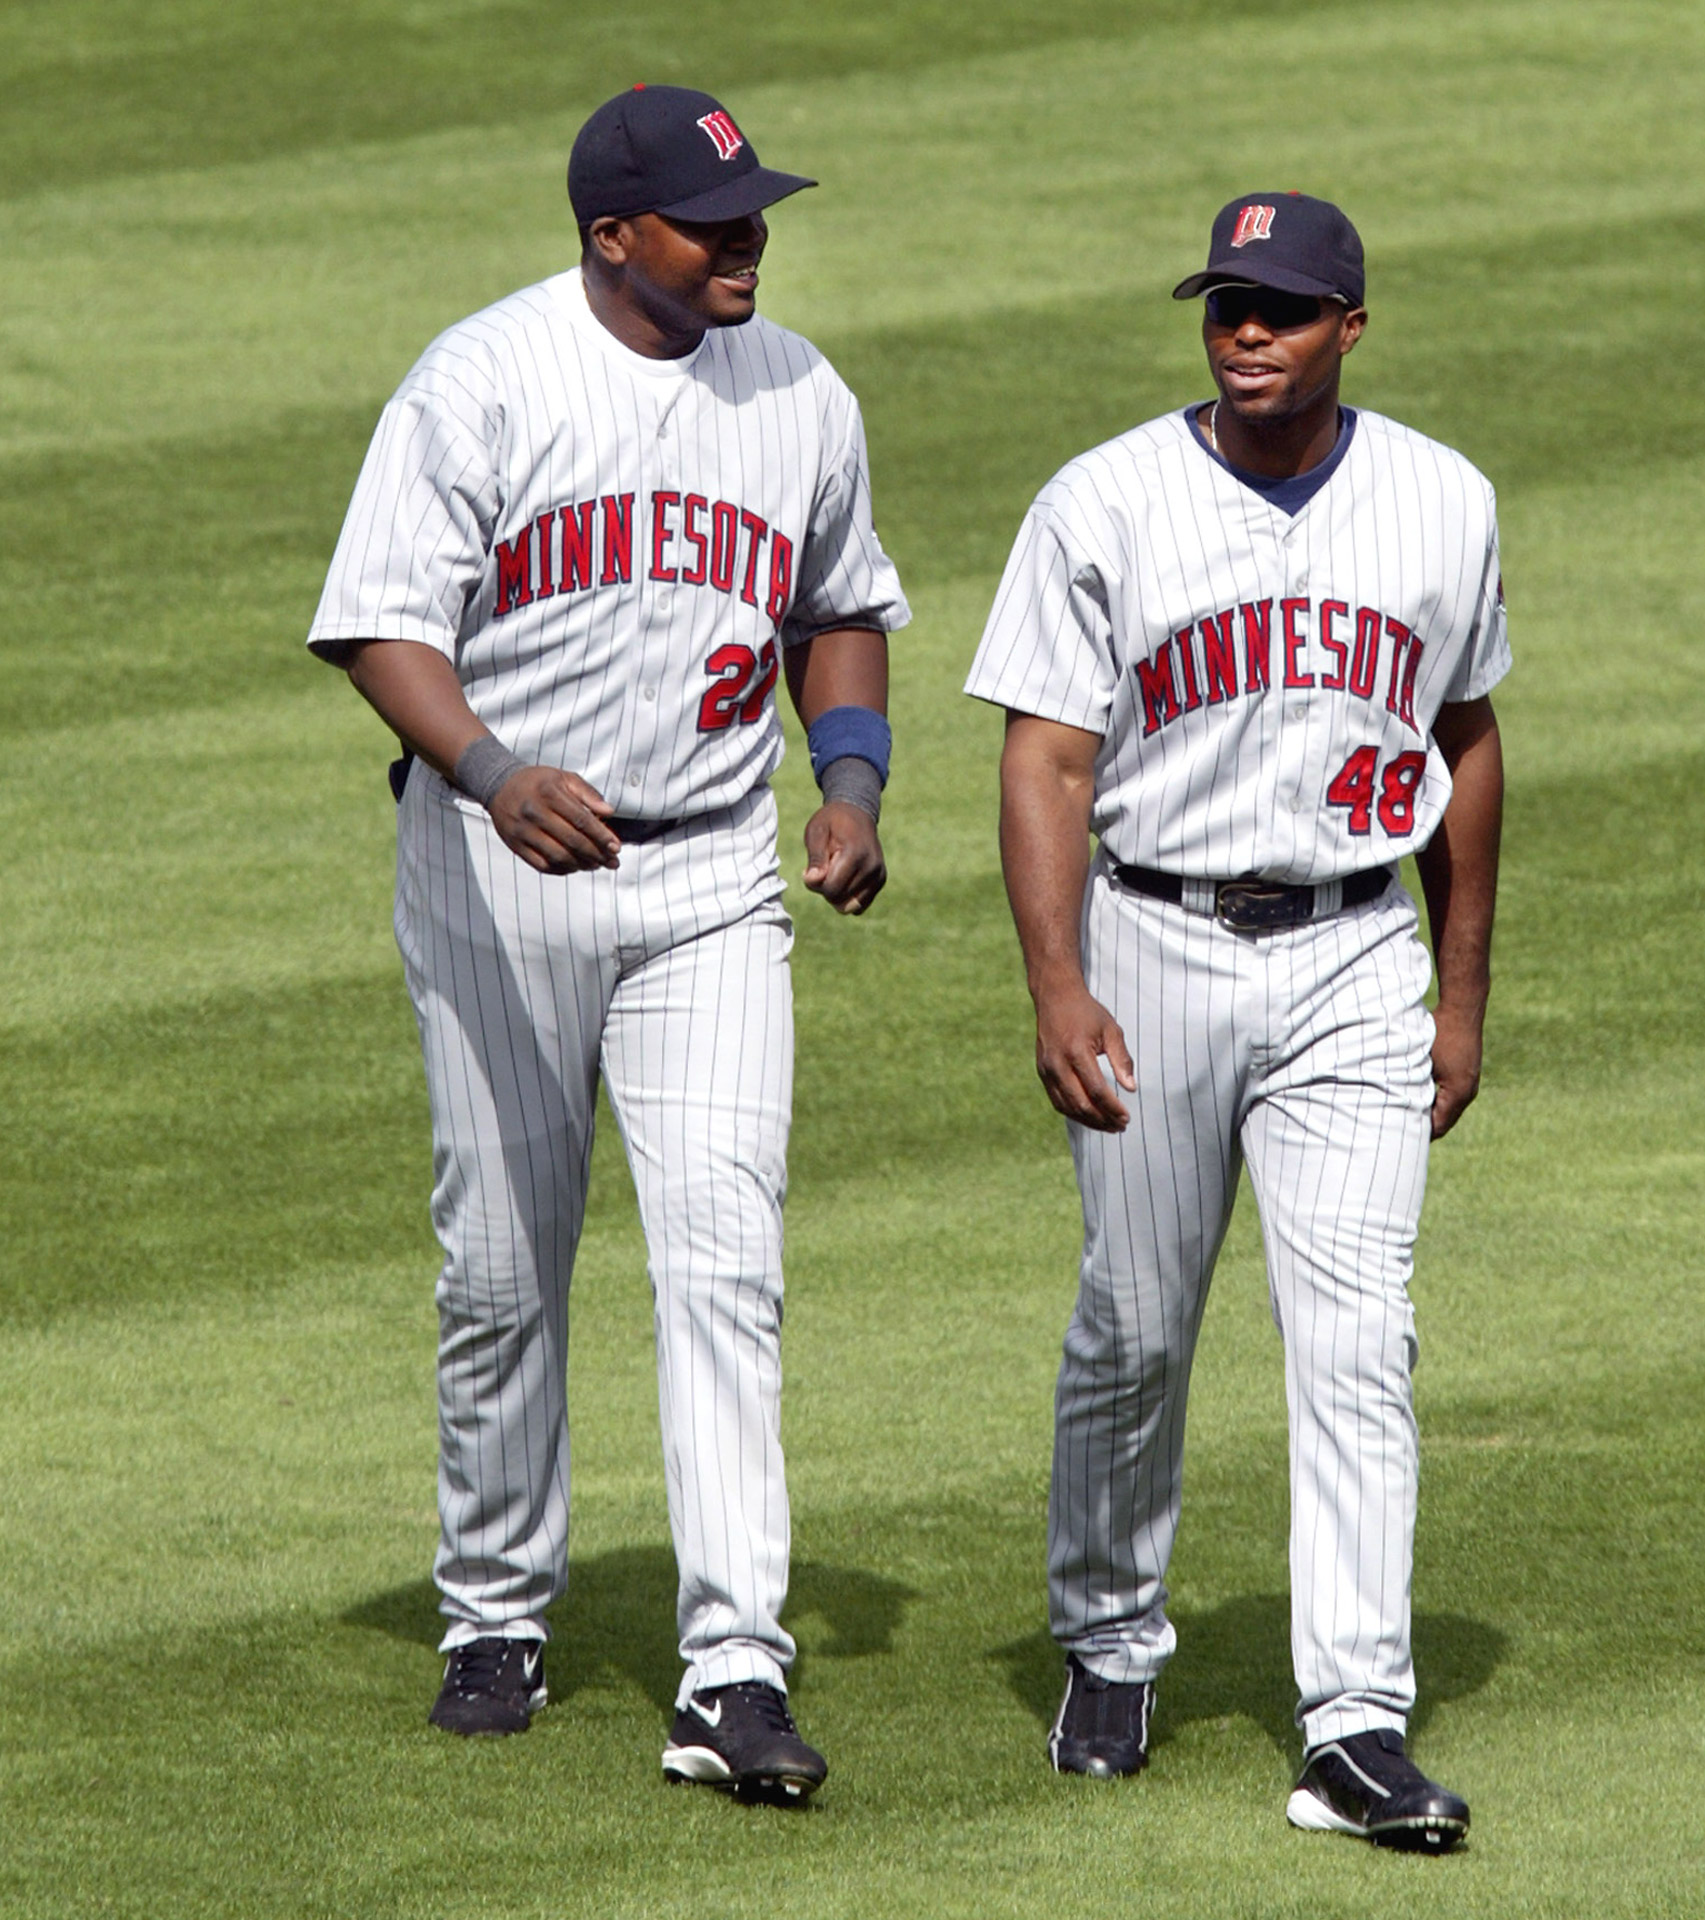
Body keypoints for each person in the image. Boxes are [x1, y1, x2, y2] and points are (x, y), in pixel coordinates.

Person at [307, 83, 908, 1805]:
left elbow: (839, 602)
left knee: (724, 1258)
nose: (748, 241)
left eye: (754, 213)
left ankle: (733, 1667)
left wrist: (850, 784)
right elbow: (380, 626)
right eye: (712, 221)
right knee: (501, 1268)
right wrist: (490, 773)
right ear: (608, 237)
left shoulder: (797, 389)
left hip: (710, 874)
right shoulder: (482, 382)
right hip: (495, 873)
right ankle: (494, 1606)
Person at [964, 191, 1506, 1851]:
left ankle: (1354, 1718)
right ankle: (1113, 1641)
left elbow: (1464, 742)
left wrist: (1463, 989)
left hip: (1356, 956)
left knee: (1359, 1339)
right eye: (1225, 308)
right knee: (1137, 1324)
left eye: (1280, 308)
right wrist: (1058, 980)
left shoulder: (1441, 500)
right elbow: (1048, 757)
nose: (1246, 333)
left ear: (1351, 322)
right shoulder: (1105, 500)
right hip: (1153, 939)